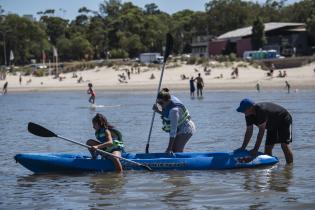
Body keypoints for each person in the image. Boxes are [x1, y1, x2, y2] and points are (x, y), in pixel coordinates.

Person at [235, 99, 293, 164]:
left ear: (251, 107)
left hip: (283, 120)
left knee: (284, 145)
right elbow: (249, 131)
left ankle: (289, 168)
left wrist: (255, 149)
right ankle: (270, 168)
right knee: (268, 147)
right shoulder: (248, 115)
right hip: (271, 124)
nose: (243, 112)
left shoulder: (261, 111)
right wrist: (243, 147)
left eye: (244, 110)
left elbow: (261, 133)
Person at [152, 88, 196, 153]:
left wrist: (169, 148)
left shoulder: (174, 111)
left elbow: (173, 131)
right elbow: (168, 114)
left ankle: (182, 162)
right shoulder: (168, 100)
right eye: (158, 103)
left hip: (186, 129)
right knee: (173, 149)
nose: (160, 105)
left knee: (176, 150)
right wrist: (158, 110)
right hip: (179, 127)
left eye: (161, 103)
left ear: (168, 100)